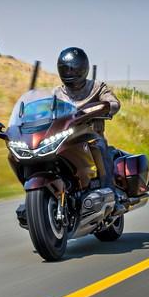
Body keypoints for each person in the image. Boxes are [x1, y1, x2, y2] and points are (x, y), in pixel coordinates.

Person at [52, 47, 125, 214]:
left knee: (99, 148)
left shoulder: (97, 87)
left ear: (83, 68)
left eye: (73, 69)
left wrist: (106, 107)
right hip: (64, 140)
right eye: (65, 69)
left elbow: (114, 103)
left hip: (90, 136)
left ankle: (112, 196)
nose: (69, 72)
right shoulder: (57, 93)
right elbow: (45, 112)